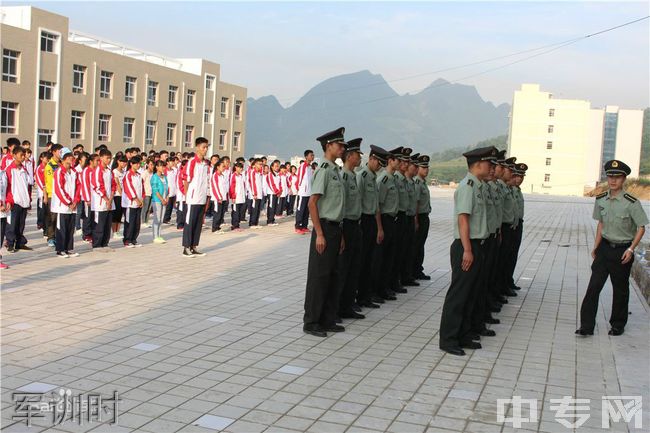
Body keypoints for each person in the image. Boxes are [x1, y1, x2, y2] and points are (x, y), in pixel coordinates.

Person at [576, 159, 648, 337]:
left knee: (620, 289)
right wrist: (596, 246)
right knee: (593, 287)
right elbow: (601, 223)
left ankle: (617, 324)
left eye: (617, 177)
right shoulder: (601, 199)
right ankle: (586, 326)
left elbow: (641, 227)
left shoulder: (631, 203)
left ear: (624, 179)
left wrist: (631, 249)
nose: (613, 180)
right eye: (610, 177)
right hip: (604, 249)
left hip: (622, 250)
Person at [439, 146, 497, 356]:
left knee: (471, 294)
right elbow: (463, 219)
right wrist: (467, 250)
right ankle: (448, 339)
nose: (491, 168)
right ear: (478, 164)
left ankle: (463, 334)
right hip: (467, 246)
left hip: (477, 245)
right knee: (459, 294)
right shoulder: (467, 186)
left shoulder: (479, 186)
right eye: (489, 163)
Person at [303, 127, 346, 338]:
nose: (342, 148)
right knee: (319, 277)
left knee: (333, 276)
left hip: (336, 228)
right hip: (325, 229)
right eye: (340, 145)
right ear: (329, 146)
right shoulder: (323, 170)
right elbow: (313, 203)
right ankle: (311, 321)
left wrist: (341, 235)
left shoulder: (335, 170)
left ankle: (328, 319)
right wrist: (319, 233)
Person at [336, 138, 365, 320]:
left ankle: (347, 305)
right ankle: (338, 307)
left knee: (354, 267)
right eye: (357, 155)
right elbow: (341, 205)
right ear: (350, 156)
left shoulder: (353, 175)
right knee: (342, 269)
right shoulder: (344, 176)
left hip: (356, 225)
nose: (360, 158)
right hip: (346, 225)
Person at [356, 145, 388, 309]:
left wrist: (379, 228)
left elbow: (375, 206)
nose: (380, 166)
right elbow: (358, 200)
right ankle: (357, 297)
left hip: (371, 222)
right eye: (378, 162)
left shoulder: (373, 177)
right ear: (371, 159)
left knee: (369, 260)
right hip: (363, 220)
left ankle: (364, 296)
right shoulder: (362, 176)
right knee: (361, 261)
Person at [182, 137, 209, 257]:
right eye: (204, 147)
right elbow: (186, 180)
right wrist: (188, 195)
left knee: (198, 224)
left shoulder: (205, 164)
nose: (206, 149)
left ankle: (194, 246)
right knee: (190, 223)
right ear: (197, 147)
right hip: (192, 199)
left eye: (207, 147)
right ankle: (186, 248)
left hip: (202, 198)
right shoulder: (192, 162)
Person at [51, 148, 80, 258]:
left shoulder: (74, 172)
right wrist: (68, 202)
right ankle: (60, 249)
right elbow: (59, 189)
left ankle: (68, 248)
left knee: (70, 228)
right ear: (63, 160)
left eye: (71, 158)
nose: (70, 159)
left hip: (72, 206)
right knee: (61, 228)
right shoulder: (59, 172)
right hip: (62, 206)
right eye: (68, 158)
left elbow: (78, 186)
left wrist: (75, 201)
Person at [4, 146, 32, 253]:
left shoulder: (24, 169)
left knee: (21, 224)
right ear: (14, 155)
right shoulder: (9, 169)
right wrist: (8, 201)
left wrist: (28, 200)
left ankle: (20, 243)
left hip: (23, 200)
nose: (23, 157)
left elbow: (28, 185)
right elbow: (7, 187)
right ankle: (10, 243)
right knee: (12, 224)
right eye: (21, 155)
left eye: (24, 155)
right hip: (14, 201)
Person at [90, 148, 115, 251]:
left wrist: (111, 198)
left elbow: (113, 185)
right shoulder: (97, 171)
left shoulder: (109, 171)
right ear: (101, 158)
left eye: (110, 158)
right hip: (100, 203)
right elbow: (97, 186)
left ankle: (105, 243)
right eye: (107, 158)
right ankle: (97, 244)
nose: (108, 160)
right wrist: (106, 199)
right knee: (99, 224)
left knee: (107, 224)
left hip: (109, 201)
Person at [413, 155, 432, 281]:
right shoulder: (417, 183)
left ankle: (418, 269)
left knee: (421, 245)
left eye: (427, 168)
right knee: (416, 246)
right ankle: (415, 270)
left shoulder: (423, 183)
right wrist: (416, 221)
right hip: (419, 217)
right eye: (423, 167)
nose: (426, 170)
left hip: (425, 216)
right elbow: (416, 203)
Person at [122, 156, 145, 247]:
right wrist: (135, 199)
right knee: (129, 222)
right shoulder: (128, 175)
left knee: (136, 222)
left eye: (139, 163)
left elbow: (142, 188)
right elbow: (128, 188)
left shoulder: (139, 175)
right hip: (130, 203)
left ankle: (134, 239)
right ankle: (127, 240)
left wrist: (141, 199)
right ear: (131, 164)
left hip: (139, 202)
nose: (138, 165)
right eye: (136, 163)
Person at [44, 144, 63, 247]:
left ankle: (57, 236)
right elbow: (51, 182)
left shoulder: (61, 164)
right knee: (52, 217)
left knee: (60, 218)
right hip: (53, 194)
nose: (61, 153)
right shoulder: (49, 165)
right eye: (59, 151)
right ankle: (51, 237)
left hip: (61, 195)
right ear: (54, 152)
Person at [295, 150, 315, 233]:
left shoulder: (310, 167)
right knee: (301, 210)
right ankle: (298, 226)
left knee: (306, 211)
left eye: (313, 155)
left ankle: (304, 226)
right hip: (302, 193)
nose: (312, 157)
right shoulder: (303, 166)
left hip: (309, 193)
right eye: (311, 155)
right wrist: (299, 189)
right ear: (306, 156)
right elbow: (299, 178)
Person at [80, 154, 98, 243]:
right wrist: (87, 198)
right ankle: (86, 234)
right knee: (88, 216)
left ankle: (93, 233)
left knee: (94, 216)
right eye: (96, 161)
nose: (98, 162)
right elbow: (85, 185)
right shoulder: (86, 171)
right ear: (91, 161)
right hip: (88, 198)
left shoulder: (97, 170)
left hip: (96, 198)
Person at [151, 160, 169, 244]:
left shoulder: (164, 177)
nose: (163, 168)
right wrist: (162, 199)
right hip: (157, 200)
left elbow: (167, 188)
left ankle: (159, 235)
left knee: (161, 219)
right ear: (157, 167)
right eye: (161, 166)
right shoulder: (154, 177)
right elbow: (155, 190)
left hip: (164, 200)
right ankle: (155, 236)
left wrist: (167, 198)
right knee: (157, 218)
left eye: (164, 166)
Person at [111, 155, 127, 238]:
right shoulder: (115, 171)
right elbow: (117, 184)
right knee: (116, 214)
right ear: (118, 162)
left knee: (120, 214)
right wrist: (121, 194)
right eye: (122, 162)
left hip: (124, 195)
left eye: (125, 162)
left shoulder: (124, 172)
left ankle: (118, 231)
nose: (124, 163)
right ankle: (114, 232)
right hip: (117, 195)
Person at [210, 158, 228, 233]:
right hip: (217, 198)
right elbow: (215, 187)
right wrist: (218, 197)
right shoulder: (215, 176)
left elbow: (224, 187)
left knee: (221, 213)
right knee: (217, 213)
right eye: (222, 166)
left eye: (224, 166)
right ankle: (215, 228)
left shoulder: (222, 176)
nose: (224, 168)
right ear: (217, 167)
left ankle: (218, 227)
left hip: (223, 197)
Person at [35, 151, 49, 234]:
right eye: (46, 158)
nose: (48, 159)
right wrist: (44, 190)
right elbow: (39, 181)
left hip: (48, 191)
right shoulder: (39, 168)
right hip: (42, 192)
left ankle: (45, 226)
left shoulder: (48, 167)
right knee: (41, 209)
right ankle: (40, 223)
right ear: (41, 158)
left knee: (47, 210)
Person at [229, 162, 246, 231]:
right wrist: (233, 196)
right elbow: (232, 187)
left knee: (239, 212)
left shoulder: (241, 176)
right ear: (236, 167)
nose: (241, 169)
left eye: (241, 168)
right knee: (235, 211)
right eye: (239, 167)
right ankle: (234, 225)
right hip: (236, 197)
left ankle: (237, 224)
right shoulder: (233, 176)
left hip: (241, 196)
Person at [247, 158, 263, 229]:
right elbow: (252, 183)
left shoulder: (259, 173)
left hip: (259, 194)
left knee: (258, 209)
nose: (261, 166)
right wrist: (254, 193)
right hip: (254, 194)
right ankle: (252, 223)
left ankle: (256, 223)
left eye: (261, 164)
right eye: (259, 164)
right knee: (254, 209)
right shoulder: (252, 172)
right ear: (255, 164)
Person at [266, 160, 282, 226]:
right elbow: (271, 184)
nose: (277, 167)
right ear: (272, 167)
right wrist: (277, 191)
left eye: (278, 166)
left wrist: (280, 191)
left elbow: (280, 184)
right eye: (275, 166)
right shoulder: (270, 174)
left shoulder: (278, 174)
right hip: (272, 193)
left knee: (275, 207)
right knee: (271, 207)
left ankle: (272, 220)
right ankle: (269, 221)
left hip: (277, 193)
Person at [163, 157, 178, 224]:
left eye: (173, 161)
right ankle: (164, 218)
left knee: (171, 206)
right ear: (167, 162)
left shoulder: (174, 170)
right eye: (171, 162)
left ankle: (168, 218)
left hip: (174, 190)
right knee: (167, 206)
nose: (173, 163)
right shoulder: (165, 171)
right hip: (168, 191)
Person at [141, 158, 154, 228]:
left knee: (149, 208)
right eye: (151, 164)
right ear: (147, 165)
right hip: (146, 193)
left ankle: (146, 221)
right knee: (145, 208)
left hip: (152, 192)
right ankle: (143, 221)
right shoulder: (144, 173)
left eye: (153, 164)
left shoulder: (153, 173)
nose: (152, 166)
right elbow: (142, 183)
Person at [0, 167, 8, 269]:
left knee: (1, 235)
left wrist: (9, 201)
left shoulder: (3, 172)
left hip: (3, 210)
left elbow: (8, 188)